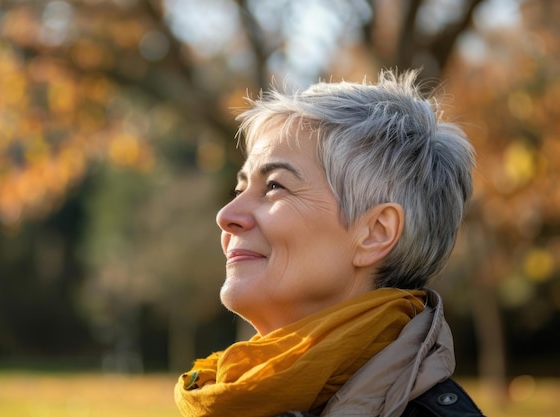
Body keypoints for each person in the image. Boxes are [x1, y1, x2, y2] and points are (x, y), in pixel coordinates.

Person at [174, 69, 485, 417]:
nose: (227, 214)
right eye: (239, 188)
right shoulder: (234, 391)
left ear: (375, 233)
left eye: (275, 186)